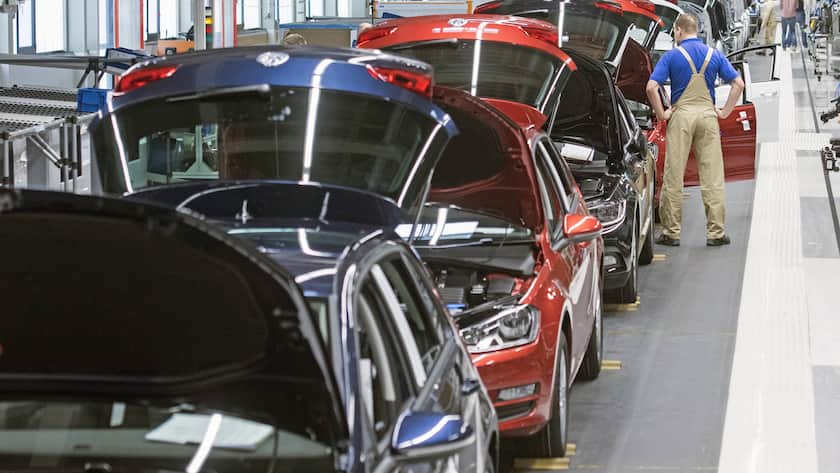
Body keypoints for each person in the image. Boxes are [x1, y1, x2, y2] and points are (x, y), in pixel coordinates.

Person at [645, 13, 745, 247]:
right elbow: (738, 84)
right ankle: (716, 233)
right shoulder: (714, 55)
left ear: (678, 31)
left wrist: (662, 114)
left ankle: (671, 232)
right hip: (708, 116)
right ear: (696, 30)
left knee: (674, 174)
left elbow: (651, 87)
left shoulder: (672, 56)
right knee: (712, 176)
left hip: (681, 117)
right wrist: (725, 111)